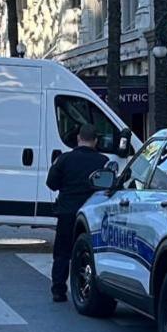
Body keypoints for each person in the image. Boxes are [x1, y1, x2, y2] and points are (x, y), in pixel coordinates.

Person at [46, 123, 108, 302]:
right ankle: (85, 288)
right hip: (92, 215)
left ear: (79, 138)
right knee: (89, 253)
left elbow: (52, 183)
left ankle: (58, 289)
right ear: (95, 141)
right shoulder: (103, 161)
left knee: (62, 252)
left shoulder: (65, 159)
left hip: (67, 212)